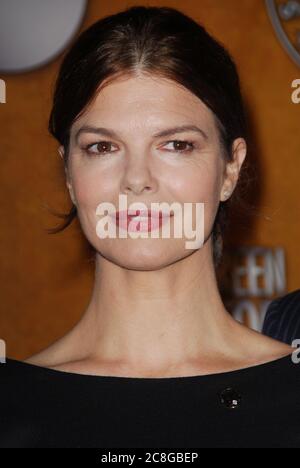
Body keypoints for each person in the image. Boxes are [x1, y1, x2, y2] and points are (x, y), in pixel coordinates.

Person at [1, 5, 298, 448]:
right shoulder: (11, 407)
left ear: (230, 168)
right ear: (68, 173)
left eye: (176, 144)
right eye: (102, 147)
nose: (137, 179)